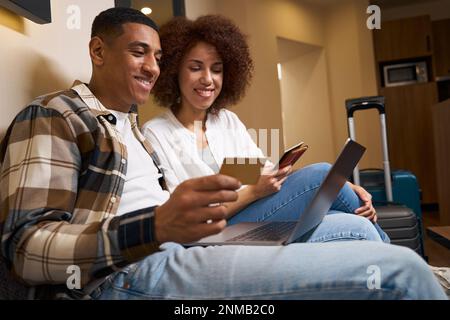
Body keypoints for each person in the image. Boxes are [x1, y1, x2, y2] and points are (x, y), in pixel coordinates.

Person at [0, 7, 446, 300]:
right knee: (400, 272)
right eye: (140, 53)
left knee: (357, 231)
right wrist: (154, 227)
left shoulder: (132, 128)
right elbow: (25, 249)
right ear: (97, 50)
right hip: (134, 268)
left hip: (188, 243)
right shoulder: (56, 114)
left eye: (156, 56)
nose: (152, 66)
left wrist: (255, 187)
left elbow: (249, 176)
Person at [142, 15, 389, 241]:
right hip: (213, 232)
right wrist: (252, 192)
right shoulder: (157, 132)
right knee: (323, 172)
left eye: (216, 69)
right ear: (174, 72)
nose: (208, 79)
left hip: (253, 210)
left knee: (352, 222)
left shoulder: (226, 121)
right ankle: (409, 264)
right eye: (195, 68)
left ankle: (399, 263)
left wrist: (345, 187)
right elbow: (184, 215)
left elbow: (266, 175)